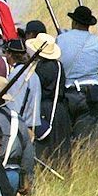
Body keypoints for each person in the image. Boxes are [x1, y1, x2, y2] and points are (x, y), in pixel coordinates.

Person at [56, 5, 98, 142]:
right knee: (86, 141)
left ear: (74, 22)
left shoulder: (61, 39)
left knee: (64, 139)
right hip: (90, 94)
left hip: (66, 94)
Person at [27, 33, 72, 164]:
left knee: (45, 147)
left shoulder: (40, 68)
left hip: (45, 109)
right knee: (61, 148)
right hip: (60, 109)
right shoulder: (58, 66)